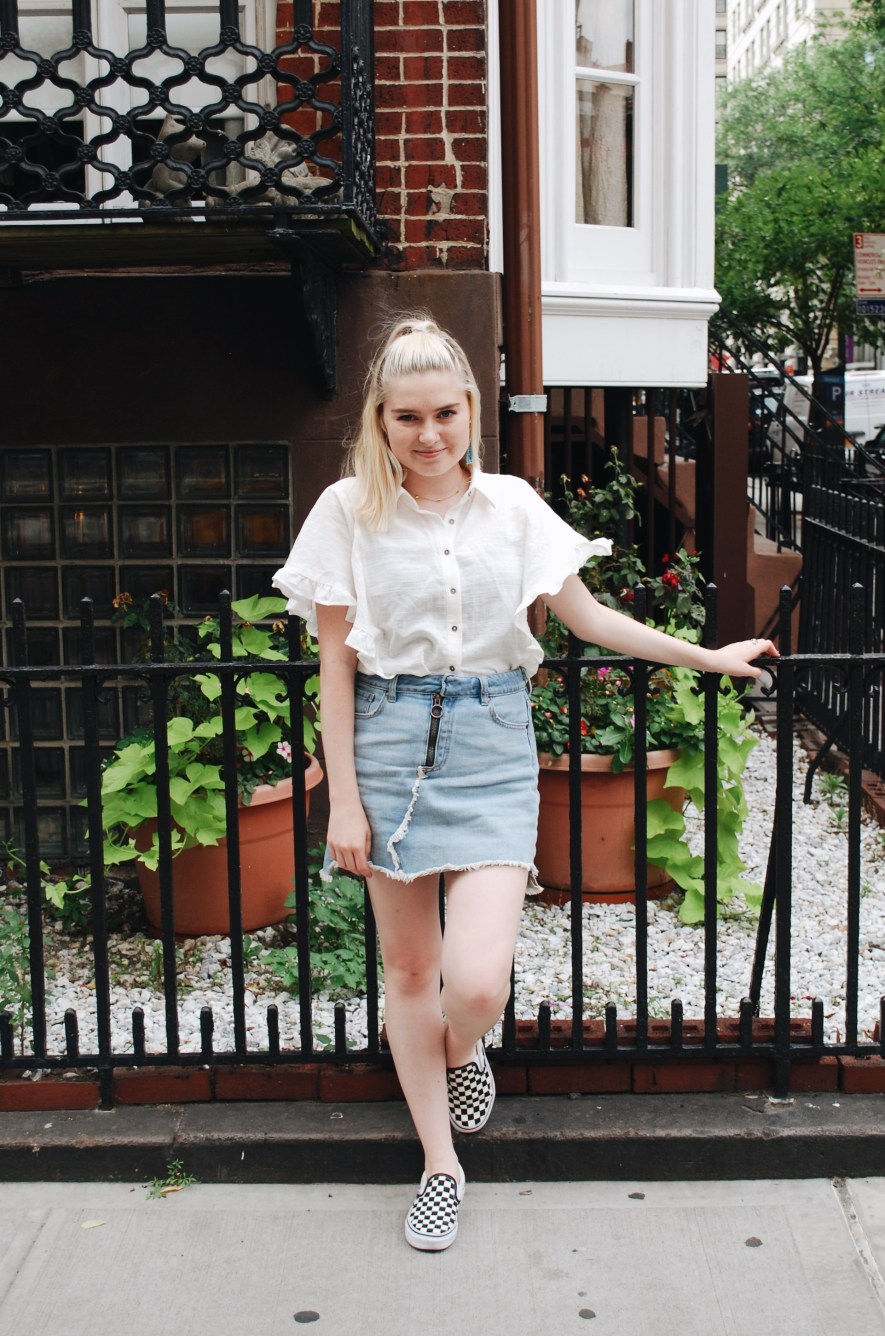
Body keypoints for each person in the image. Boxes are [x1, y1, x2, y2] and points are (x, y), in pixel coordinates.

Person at [273, 315, 777, 1253]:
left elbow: (586, 619)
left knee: (473, 983)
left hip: (493, 743)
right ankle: (438, 1166)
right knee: (411, 970)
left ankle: (461, 1049)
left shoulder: (511, 506)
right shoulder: (348, 510)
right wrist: (341, 797)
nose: (429, 435)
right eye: (408, 417)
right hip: (386, 745)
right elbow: (335, 667)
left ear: (473, 410)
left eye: (447, 413)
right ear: (380, 422)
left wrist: (706, 656)